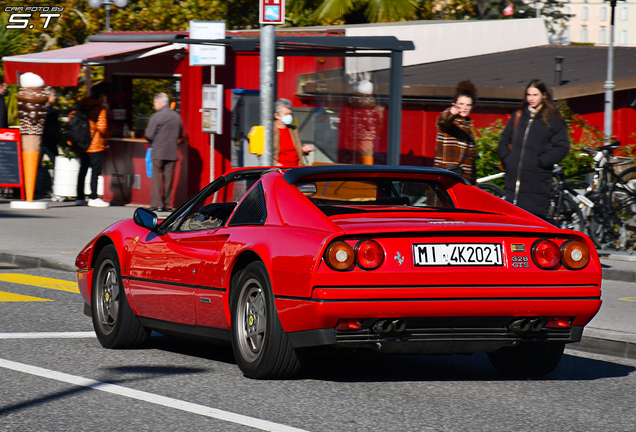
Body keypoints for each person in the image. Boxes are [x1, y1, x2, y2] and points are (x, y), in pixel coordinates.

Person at [497, 79, 570, 219]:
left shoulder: (552, 120)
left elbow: (562, 147)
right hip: (513, 185)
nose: (531, 98)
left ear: (543, 95)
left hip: (536, 186)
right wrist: (507, 159)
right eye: (528, 94)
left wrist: (541, 162)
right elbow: (504, 140)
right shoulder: (519, 116)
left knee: (532, 227)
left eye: (535, 94)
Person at [433, 80, 477, 184]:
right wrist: (451, 112)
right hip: (444, 179)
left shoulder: (469, 132)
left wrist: (473, 183)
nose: (464, 107)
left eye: (468, 105)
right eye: (461, 104)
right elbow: (443, 121)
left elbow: (471, 163)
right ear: (455, 104)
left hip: (462, 182)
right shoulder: (450, 124)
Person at [74, 83, 110, 207]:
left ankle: (80, 197)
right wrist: (108, 136)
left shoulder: (81, 106)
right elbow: (102, 127)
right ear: (101, 96)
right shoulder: (99, 109)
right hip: (95, 145)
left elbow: (71, 118)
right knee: (95, 171)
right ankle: (93, 197)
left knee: (82, 170)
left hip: (82, 144)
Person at [145, 92, 183, 212]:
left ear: (159, 102)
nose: (154, 105)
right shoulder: (176, 116)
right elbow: (180, 134)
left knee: (157, 178)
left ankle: (156, 204)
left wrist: (152, 141)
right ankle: (166, 204)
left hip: (158, 151)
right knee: (169, 179)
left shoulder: (156, 116)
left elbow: (148, 134)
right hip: (171, 151)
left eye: (155, 103)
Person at [273, 98, 309, 166]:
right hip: (279, 171)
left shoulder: (293, 129)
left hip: (296, 169)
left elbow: (297, 149)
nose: (289, 116)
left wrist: (305, 149)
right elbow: (263, 154)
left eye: (290, 114)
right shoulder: (269, 131)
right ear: (276, 115)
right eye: (286, 114)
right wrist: (275, 164)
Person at [41, 87, 60, 170]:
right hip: (49, 141)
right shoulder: (52, 111)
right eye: (54, 95)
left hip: (41, 140)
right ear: (47, 96)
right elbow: (54, 127)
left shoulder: (38, 109)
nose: (56, 97)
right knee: (56, 163)